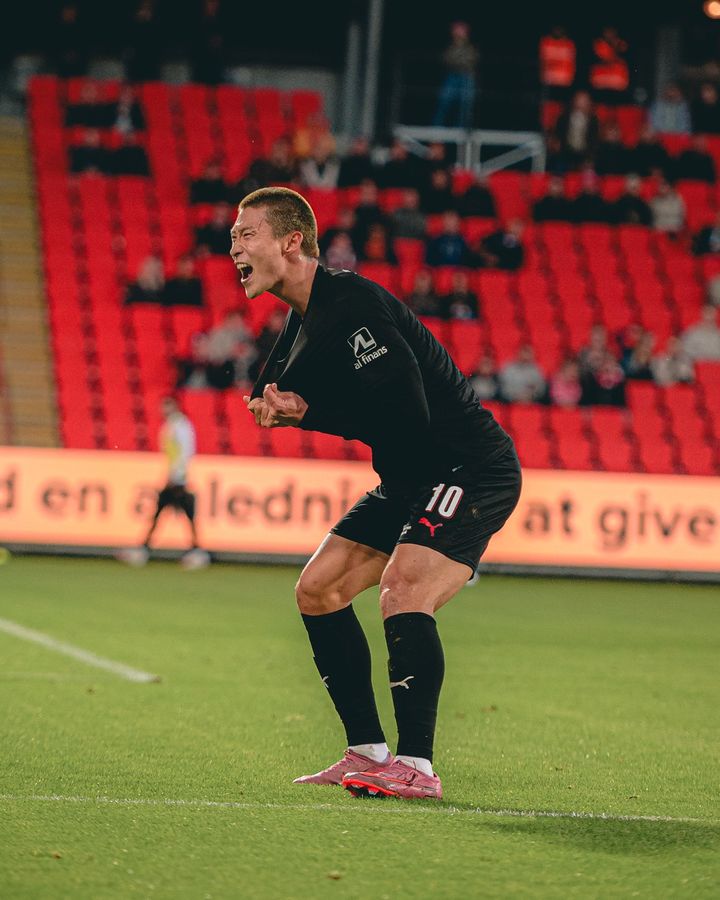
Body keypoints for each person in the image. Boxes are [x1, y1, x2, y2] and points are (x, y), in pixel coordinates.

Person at [231, 187, 521, 800]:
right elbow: (266, 389)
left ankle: (417, 765)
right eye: (233, 236)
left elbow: (407, 416)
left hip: (467, 467)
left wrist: (306, 413)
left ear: (291, 242)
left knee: (403, 586)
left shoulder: (353, 306)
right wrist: (279, 403)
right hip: (413, 476)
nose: (234, 247)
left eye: (246, 234)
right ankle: (366, 749)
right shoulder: (305, 317)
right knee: (319, 589)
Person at [117, 397, 210, 570]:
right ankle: (193, 551)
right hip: (174, 477)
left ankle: (194, 551)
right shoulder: (171, 426)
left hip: (178, 479)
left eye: (166, 407)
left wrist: (176, 476)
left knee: (174, 514)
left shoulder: (181, 427)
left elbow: (185, 453)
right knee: (170, 514)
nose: (163, 411)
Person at [433, 21, 479, 129]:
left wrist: (458, 62)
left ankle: (460, 129)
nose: (458, 34)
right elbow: (447, 60)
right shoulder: (450, 48)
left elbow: (472, 61)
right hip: (452, 77)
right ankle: (436, 129)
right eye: (456, 31)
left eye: (461, 31)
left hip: (466, 78)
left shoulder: (471, 48)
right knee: (444, 103)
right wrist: (458, 61)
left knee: (465, 106)